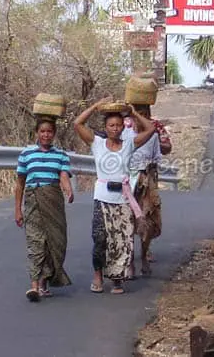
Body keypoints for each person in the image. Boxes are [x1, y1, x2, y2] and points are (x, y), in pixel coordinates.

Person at [73, 100, 155, 295]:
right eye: (111, 125)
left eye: (119, 125)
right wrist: (95, 106)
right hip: (102, 199)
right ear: (105, 127)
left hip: (123, 200)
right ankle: (98, 275)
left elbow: (151, 129)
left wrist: (134, 112)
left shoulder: (129, 144)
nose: (115, 129)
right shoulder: (97, 143)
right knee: (100, 238)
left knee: (122, 240)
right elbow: (77, 124)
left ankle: (117, 278)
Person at [15, 116, 75, 303]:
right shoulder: (27, 154)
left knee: (54, 241)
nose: (46, 135)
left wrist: (68, 189)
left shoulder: (61, 155)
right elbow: (20, 183)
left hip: (53, 200)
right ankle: (34, 286)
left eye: (49, 132)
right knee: (35, 242)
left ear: (54, 134)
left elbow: (63, 175)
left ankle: (44, 282)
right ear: (36, 133)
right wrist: (17, 209)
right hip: (33, 200)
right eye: (42, 131)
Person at [121, 103, 167, 278]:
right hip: (127, 182)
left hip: (146, 182)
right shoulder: (124, 132)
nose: (140, 116)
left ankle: (144, 255)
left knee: (148, 220)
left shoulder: (153, 135)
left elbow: (156, 159)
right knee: (129, 220)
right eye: (137, 113)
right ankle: (130, 260)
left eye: (144, 114)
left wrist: (151, 182)